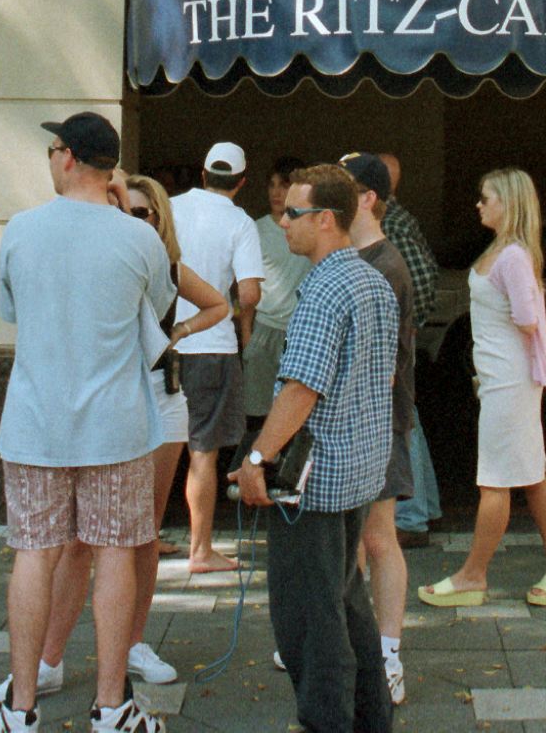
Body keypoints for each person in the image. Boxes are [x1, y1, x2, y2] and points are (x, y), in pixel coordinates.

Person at [0, 112, 174, 733]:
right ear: (110, 171)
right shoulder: (138, 239)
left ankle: (20, 709)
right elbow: (156, 307)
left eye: (52, 148)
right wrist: (124, 217)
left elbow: (12, 308)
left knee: (33, 554)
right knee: (116, 553)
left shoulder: (19, 230)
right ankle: (110, 705)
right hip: (115, 424)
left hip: (35, 421)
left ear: (67, 157)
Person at [26, 174, 229, 695]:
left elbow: (219, 304)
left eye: (144, 214)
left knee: (143, 534)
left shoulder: (167, 265)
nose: (134, 221)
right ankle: (51, 657)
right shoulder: (98, 259)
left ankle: (133, 642)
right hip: (104, 404)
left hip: (161, 401)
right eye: (125, 211)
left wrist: (176, 334)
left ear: (160, 220)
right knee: (78, 540)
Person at [231, 164, 397, 733]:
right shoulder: (373, 279)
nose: (281, 223)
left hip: (315, 483)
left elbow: (302, 387)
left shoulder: (325, 287)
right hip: (359, 474)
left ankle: (324, 721)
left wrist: (257, 459)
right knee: (349, 606)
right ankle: (370, 720)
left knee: (310, 619)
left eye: (292, 214)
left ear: (326, 220)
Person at [417, 167, 546, 610]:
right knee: (532, 475)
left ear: (508, 202)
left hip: (509, 383)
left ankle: (473, 575)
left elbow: (527, 318)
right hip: (505, 380)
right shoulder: (506, 252)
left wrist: (501, 369)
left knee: (495, 481)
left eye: (487, 198)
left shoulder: (512, 257)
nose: (479, 204)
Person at [341, 153, 418, 706]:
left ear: (367, 197)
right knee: (352, 539)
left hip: (379, 420)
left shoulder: (385, 265)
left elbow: (383, 365)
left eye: (343, 188)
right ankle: (347, 641)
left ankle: (388, 654)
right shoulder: (353, 255)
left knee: (377, 535)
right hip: (352, 420)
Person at [169, 141, 264, 573]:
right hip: (212, 346)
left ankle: (144, 539)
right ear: (241, 183)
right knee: (202, 454)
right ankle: (200, 549)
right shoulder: (241, 222)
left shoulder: (167, 209)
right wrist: (244, 326)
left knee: (157, 447)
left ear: (203, 174)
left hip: (164, 344)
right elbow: (248, 292)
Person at [378, 153, 442, 543]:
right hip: (400, 336)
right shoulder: (398, 220)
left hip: (396, 338)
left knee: (403, 421)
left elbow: (421, 277)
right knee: (408, 417)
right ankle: (425, 506)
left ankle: (412, 516)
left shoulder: (393, 223)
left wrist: (407, 328)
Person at [244, 156, 309, 429]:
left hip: (300, 331)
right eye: (271, 185)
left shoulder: (310, 228)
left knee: (294, 413)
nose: (276, 192)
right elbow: (246, 288)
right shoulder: (256, 230)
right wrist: (247, 337)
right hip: (264, 329)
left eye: (283, 185)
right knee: (257, 415)